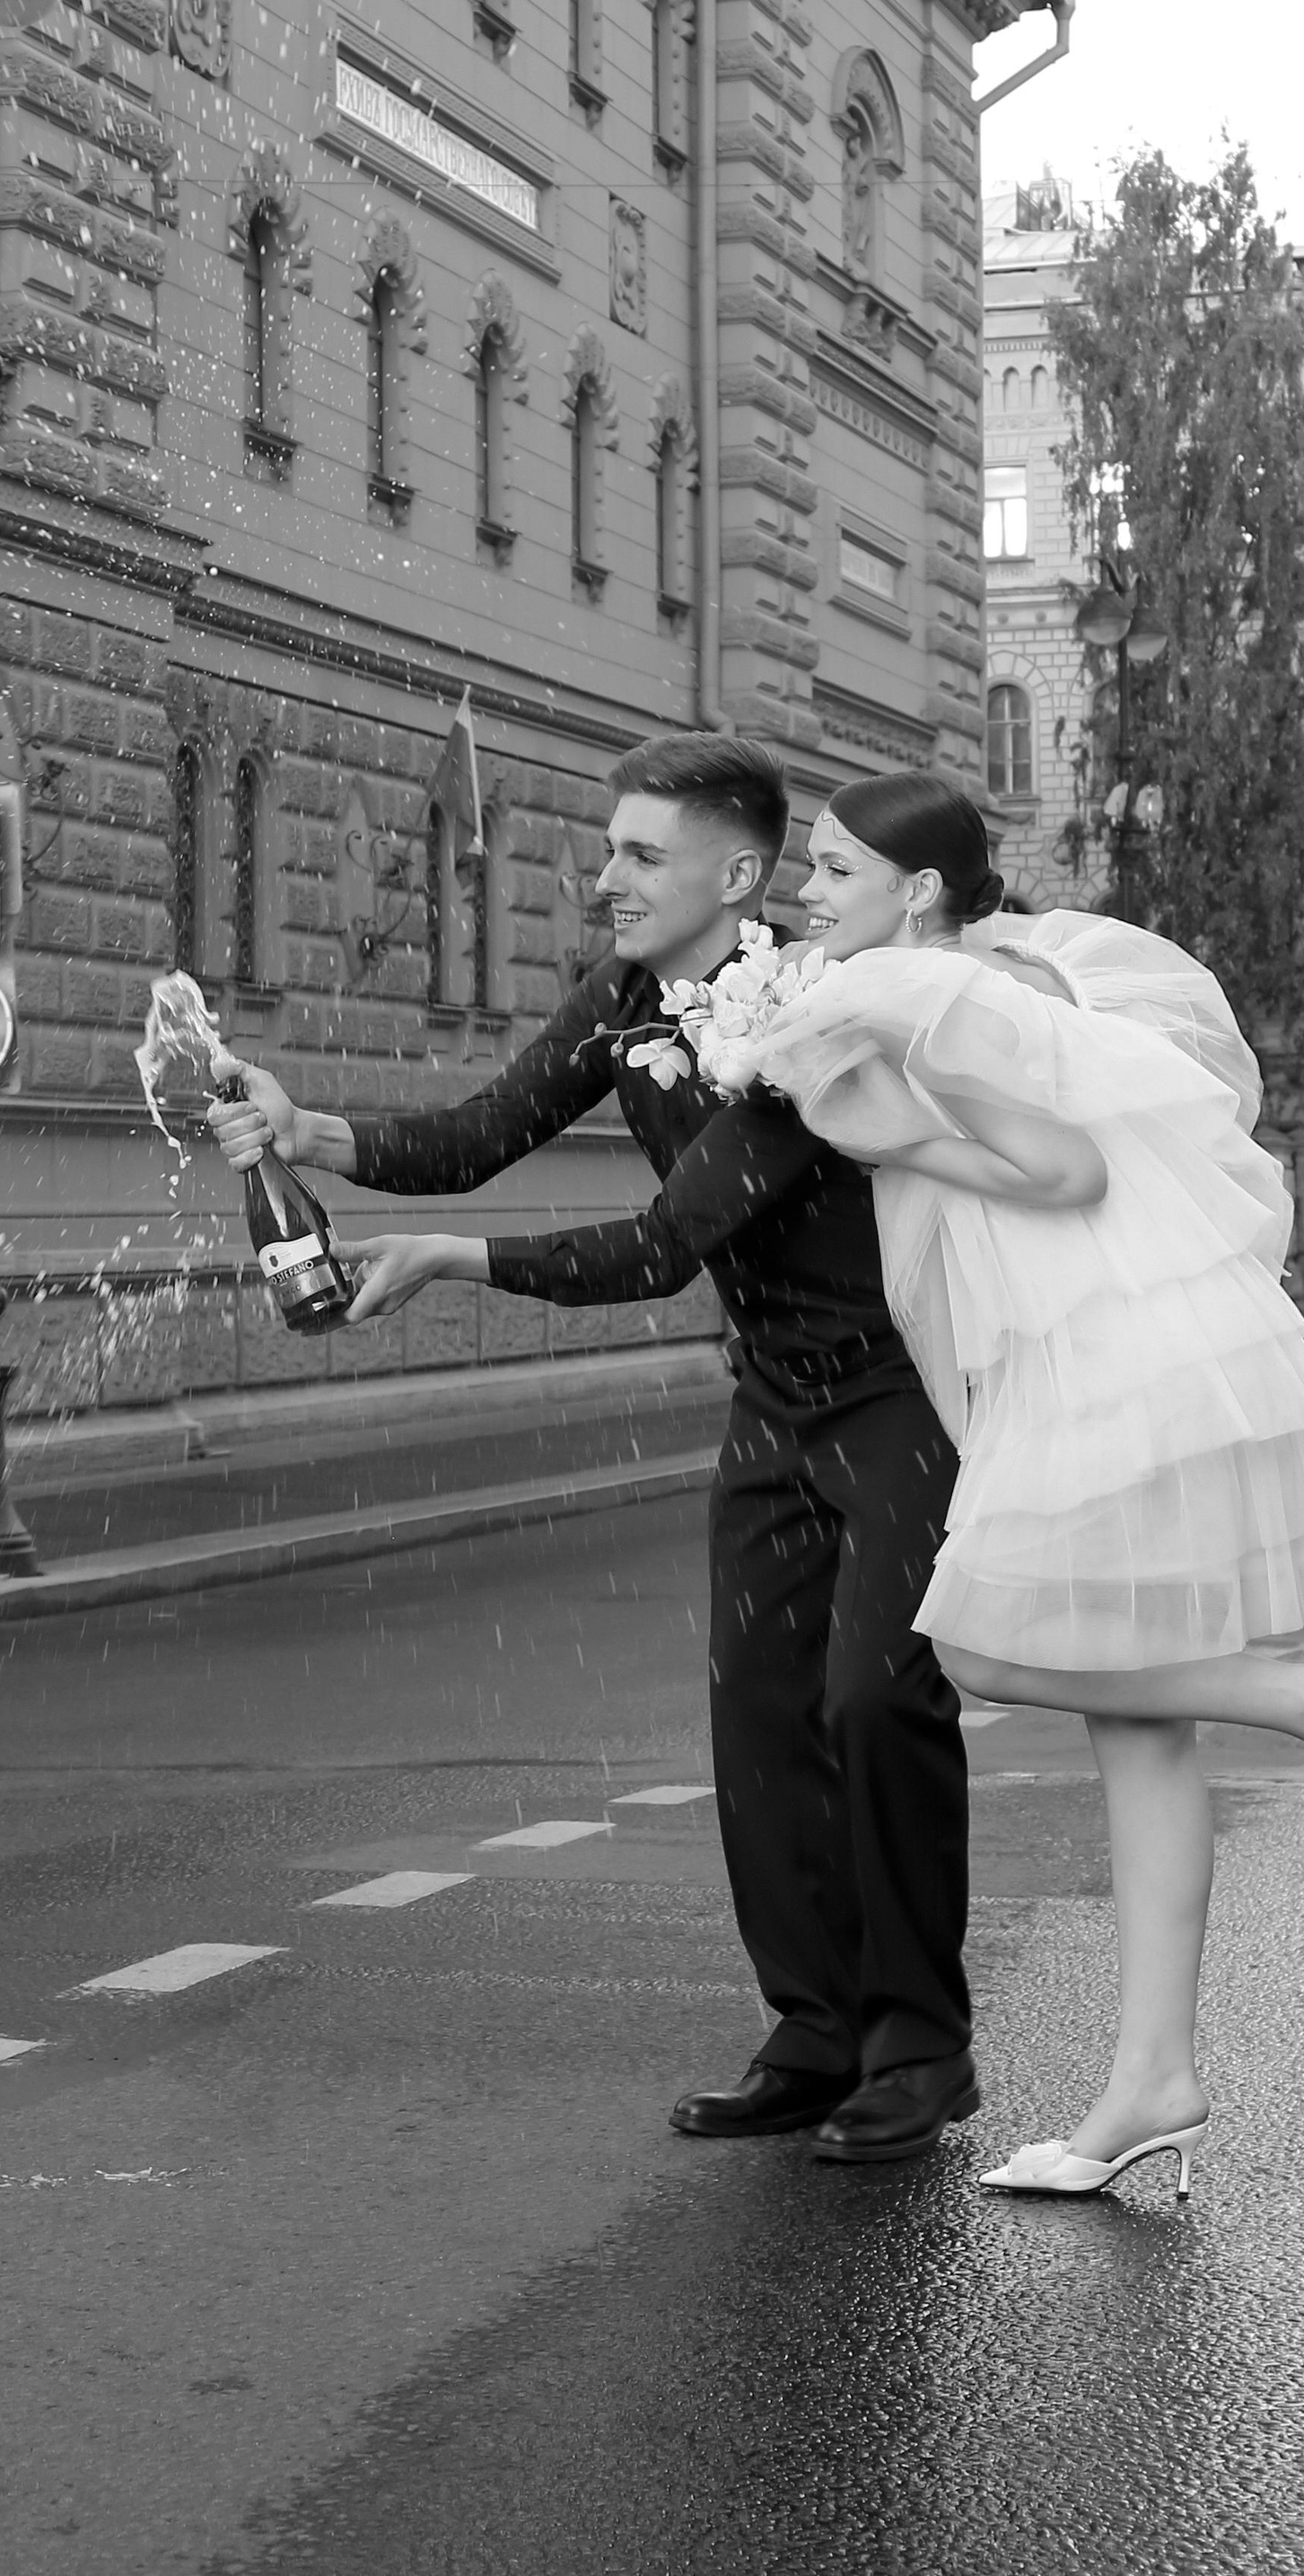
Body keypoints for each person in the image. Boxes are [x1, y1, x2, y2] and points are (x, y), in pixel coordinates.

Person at [205, 735, 981, 2164]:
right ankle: (815, 2034)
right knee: (760, 1720)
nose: (603, 874)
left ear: (737, 875)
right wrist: (301, 1123)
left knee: (875, 1701)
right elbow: (484, 1128)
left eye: (639, 853)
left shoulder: (802, 1010)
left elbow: (667, 1242)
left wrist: (451, 1262)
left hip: (895, 1398)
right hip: (775, 1401)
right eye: (608, 847)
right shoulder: (626, 998)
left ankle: (921, 2046)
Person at [746, 773, 1304, 2204]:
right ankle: (1152, 2082)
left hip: (1098, 1365)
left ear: (916, 891)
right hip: (1119, 1349)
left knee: (981, 1641)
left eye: (831, 869)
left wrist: (882, 1132)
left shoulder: (944, 994)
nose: (806, 893)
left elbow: (1057, 1169)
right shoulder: (987, 969)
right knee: (1137, 1718)